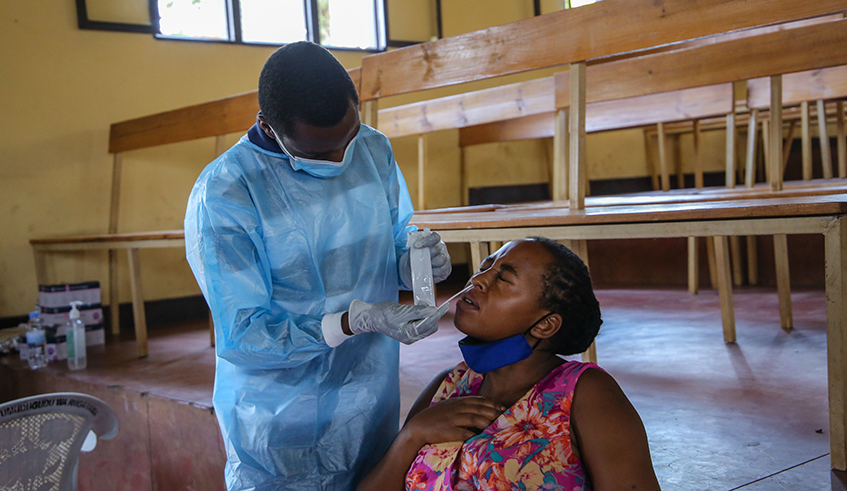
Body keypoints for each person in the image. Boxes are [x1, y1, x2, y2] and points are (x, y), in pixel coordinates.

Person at [184, 41, 453, 490]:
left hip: (369, 390)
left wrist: (417, 265)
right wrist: (351, 321)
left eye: (345, 141)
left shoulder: (372, 150)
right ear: (267, 127)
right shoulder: (226, 193)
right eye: (317, 153)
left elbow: (393, 242)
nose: (338, 161)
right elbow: (245, 334)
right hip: (278, 411)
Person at [358, 237, 662, 491]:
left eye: (503, 278)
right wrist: (413, 435)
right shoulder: (448, 386)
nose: (476, 280)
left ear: (544, 325)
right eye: (484, 267)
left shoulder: (584, 394)